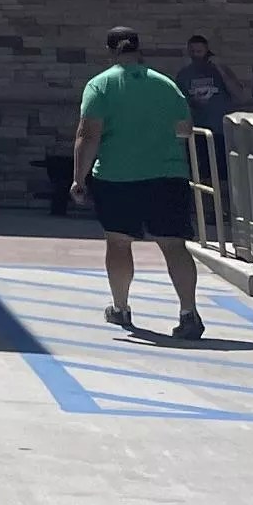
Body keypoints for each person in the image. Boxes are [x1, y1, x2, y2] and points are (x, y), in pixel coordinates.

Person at [73, 25, 203, 340]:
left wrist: (79, 179)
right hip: (168, 174)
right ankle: (189, 312)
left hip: (118, 176)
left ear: (111, 51)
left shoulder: (100, 86)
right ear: (138, 49)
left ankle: (121, 308)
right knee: (174, 245)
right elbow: (185, 129)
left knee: (119, 243)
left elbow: (88, 136)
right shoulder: (166, 85)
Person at [178, 35, 238, 184]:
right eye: (192, 51)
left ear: (207, 51)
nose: (196, 55)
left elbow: (238, 93)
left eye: (199, 51)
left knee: (225, 174)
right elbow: (180, 101)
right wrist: (193, 102)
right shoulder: (184, 74)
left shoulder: (220, 71)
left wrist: (220, 69)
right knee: (202, 175)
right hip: (198, 131)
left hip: (220, 131)